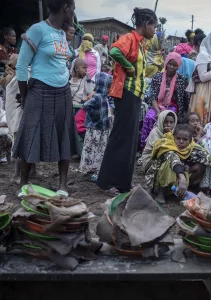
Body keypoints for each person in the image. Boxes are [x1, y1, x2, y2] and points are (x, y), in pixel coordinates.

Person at [14, 0, 76, 197]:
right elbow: (21, 66)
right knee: (31, 133)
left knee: (63, 134)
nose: (74, 12)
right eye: (73, 8)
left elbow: (59, 63)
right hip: (40, 91)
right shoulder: (37, 30)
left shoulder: (61, 33)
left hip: (63, 92)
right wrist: (24, 97)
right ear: (66, 8)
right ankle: (24, 184)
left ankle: (62, 185)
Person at [97, 8, 157, 196]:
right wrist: (128, 65)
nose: (154, 31)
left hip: (136, 94)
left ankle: (123, 183)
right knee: (121, 138)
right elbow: (114, 50)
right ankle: (107, 182)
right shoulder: (130, 38)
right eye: (154, 26)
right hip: (126, 92)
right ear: (146, 24)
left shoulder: (141, 44)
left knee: (131, 139)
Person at [145, 124, 211, 202]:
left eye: (185, 139)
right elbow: (173, 159)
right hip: (158, 180)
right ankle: (161, 192)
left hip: (179, 179)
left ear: (190, 140)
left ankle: (179, 191)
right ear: (173, 137)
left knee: (202, 165)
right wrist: (182, 178)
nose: (181, 142)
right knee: (168, 164)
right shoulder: (167, 145)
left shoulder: (193, 148)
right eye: (178, 138)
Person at [141, 52, 188, 149]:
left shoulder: (181, 79)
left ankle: (166, 146)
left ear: (178, 66)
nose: (171, 67)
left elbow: (184, 99)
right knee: (150, 118)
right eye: (170, 64)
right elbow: (153, 96)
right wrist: (158, 111)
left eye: (175, 65)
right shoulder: (157, 77)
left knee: (169, 120)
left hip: (172, 106)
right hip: (157, 105)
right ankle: (147, 147)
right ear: (166, 63)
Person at [79, 89, 113, 175]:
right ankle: (87, 169)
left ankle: (95, 168)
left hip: (103, 129)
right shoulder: (97, 96)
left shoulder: (105, 97)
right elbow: (86, 106)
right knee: (92, 148)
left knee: (99, 149)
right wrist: (95, 117)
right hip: (95, 129)